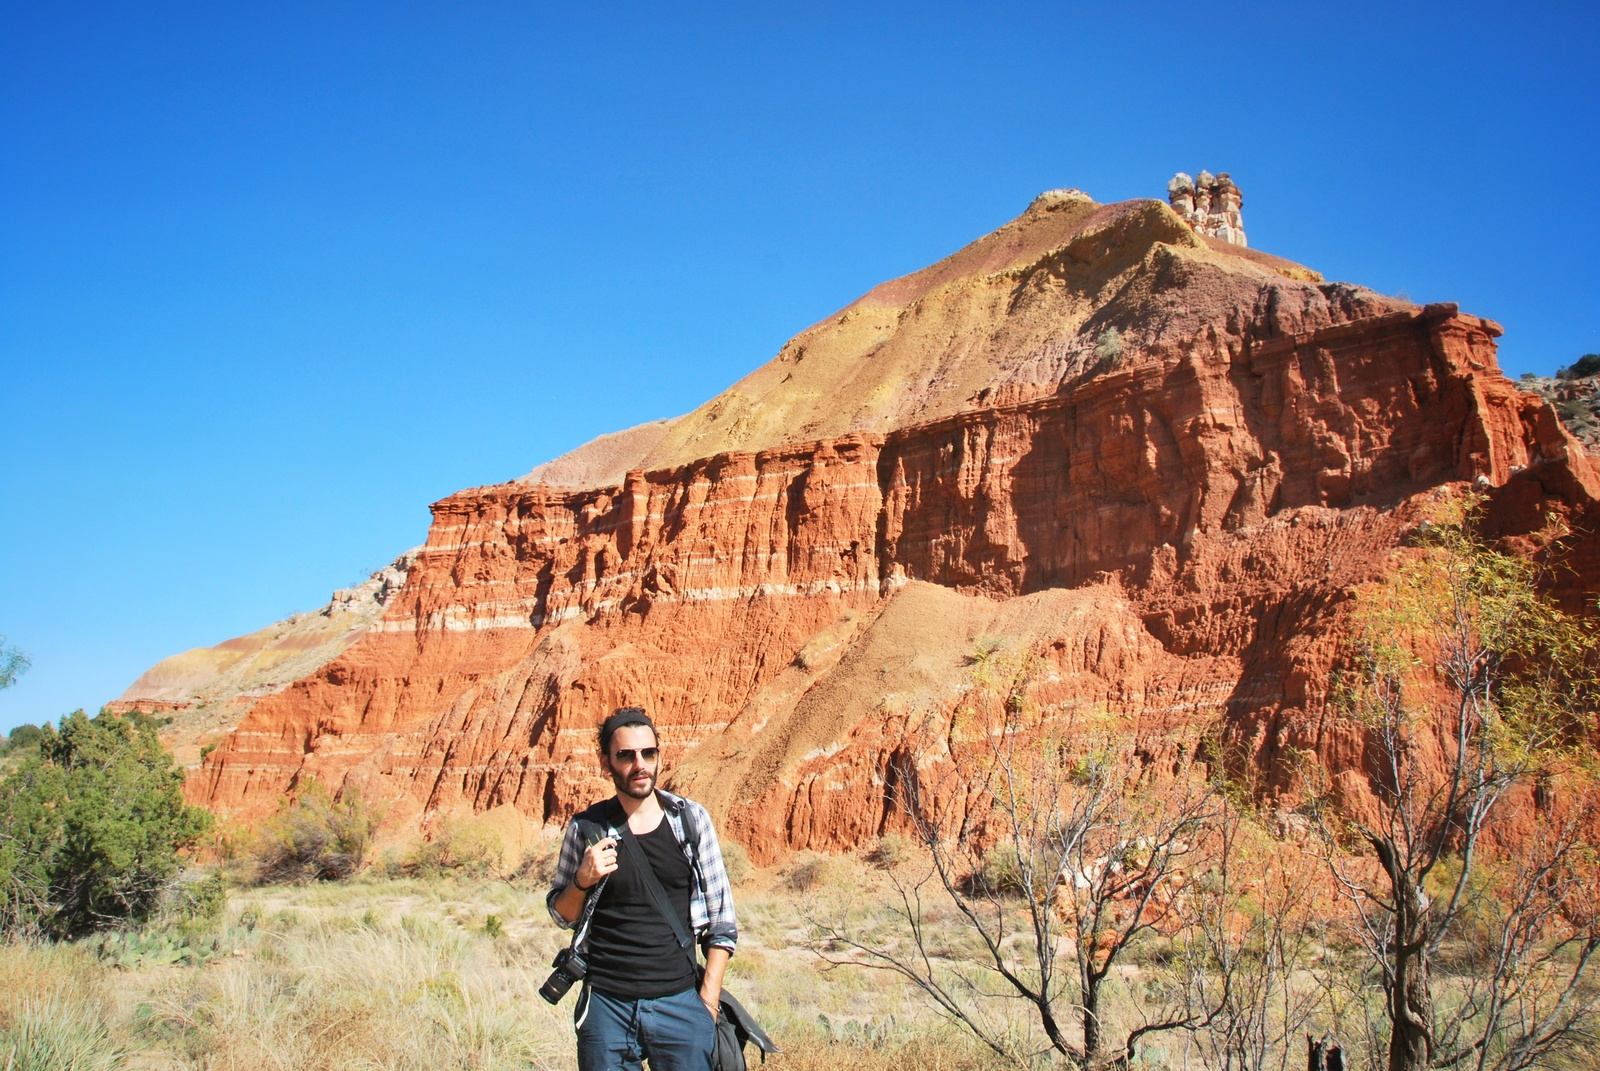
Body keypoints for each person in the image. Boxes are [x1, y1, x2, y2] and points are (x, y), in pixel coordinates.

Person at [547, 706, 738, 1070]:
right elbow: (562, 915)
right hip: (607, 1007)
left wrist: (707, 1004)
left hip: (680, 1004)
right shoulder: (586, 828)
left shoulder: (690, 820)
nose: (640, 765)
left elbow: (722, 920)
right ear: (606, 763)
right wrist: (582, 880)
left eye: (648, 753)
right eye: (626, 755)